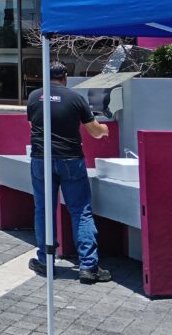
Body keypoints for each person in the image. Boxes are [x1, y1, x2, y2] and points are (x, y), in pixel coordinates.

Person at [27, 61, 112, 284]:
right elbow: (94, 132)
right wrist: (104, 129)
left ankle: (46, 261)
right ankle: (88, 266)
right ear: (65, 77)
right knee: (81, 211)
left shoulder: (34, 97)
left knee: (43, 209)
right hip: (70, 160)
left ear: (45, 77)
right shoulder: (75, 98)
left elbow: (32, 126)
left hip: (41, 158)